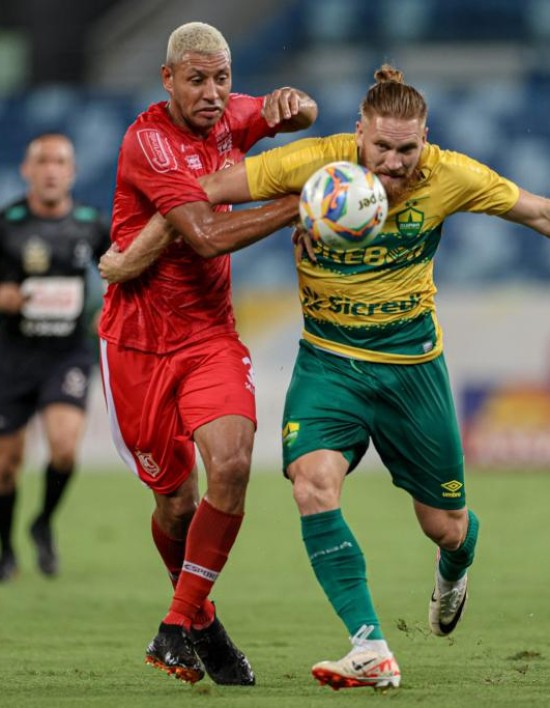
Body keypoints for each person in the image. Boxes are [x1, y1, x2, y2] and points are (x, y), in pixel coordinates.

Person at [101, 64, 550, 691]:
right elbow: (197, 191)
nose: (393, 163)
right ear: (358, 134)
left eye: (407, 148)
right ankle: (370, 648)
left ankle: (457, 561)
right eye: (381, 146)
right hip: (329, 362)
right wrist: (132, 257)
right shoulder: (310, 164)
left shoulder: (451, 175)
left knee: (443, 524)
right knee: (312, 484)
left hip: (411, 368)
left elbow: (537, 212)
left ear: (427, 139)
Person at [97, 21, 317, 687]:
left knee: (234, 461)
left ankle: (178, 622)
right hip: (136, 345)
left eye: (223, 78)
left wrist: (295, 103)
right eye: (198, 79)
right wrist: (297, 204)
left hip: (208, 336)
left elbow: (302, 111)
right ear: (168, 80)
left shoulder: (228, 113)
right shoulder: (150, 143)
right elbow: (207, 237)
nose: (215, 93)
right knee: (176, 503)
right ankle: (204, 625)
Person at [0, 133, 110, 582]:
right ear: (27, 170)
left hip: (67, 354)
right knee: (6, 468)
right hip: (11, 356)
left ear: (72, 172)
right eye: (42, 160)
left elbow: (122, 273)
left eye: (60, 161)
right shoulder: (7, 224)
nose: (50, 169)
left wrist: (108, 310)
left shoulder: (90, 224)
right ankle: (5, 547)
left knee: (64, 448)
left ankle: (43, 523)